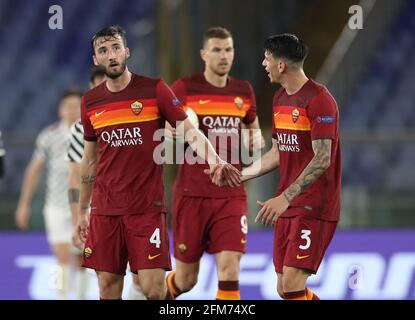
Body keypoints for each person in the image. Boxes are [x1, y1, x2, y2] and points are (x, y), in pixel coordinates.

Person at [75, 25, 240, 300]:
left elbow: (192, 133)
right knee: (107, 287)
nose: (111, 55)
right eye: (103, 51)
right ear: (96, 59)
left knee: (154, 289)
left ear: (126, 51)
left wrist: (215, 160)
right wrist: (82, 210)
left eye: (116, 47)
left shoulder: (155, 90)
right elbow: (89, 160)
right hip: (106, 209)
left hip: (145, 209)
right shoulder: (90, 101)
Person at [215, 33, 341, 300]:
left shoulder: (320, 100)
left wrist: (284, 197)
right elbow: (278, 152)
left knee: (293, 282)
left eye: (267, 58)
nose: (263, 63)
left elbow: (322, 158)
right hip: (288, 203)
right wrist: (241, 175)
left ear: (281, 65)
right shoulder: (280, 99)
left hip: (314, 205)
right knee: (284, 287)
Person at [165, 27, 265, 300]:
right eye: (217, 50)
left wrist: (254, 141)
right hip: (192, 194)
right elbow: (166, 128)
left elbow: (253, 131)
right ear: (204, 54)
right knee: (186, 280)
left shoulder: (243, 91)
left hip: (231, 194)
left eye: (229, 50)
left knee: (229, 269)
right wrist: (173, 132)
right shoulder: (185, 88)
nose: (224, 56)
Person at [68, 66, 146, 300]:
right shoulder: (80, 129)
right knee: (106, 280)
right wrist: (78, 218)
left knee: (143, 280)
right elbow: (74, 176)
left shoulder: (136, 117)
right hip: (100, 209)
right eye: (98, 85)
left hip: (137, 207)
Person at [15, 89, 82, 299]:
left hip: (83, 206)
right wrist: (24, 204)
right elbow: (33, 171)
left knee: (81, 260)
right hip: (56, 206)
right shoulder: (49, 135)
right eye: (68, 106)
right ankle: (61, 296)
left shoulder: (91, 134)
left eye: (76, 106)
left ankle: (81, 296)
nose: (72, 111)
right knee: (61, 257)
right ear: (60, 110)